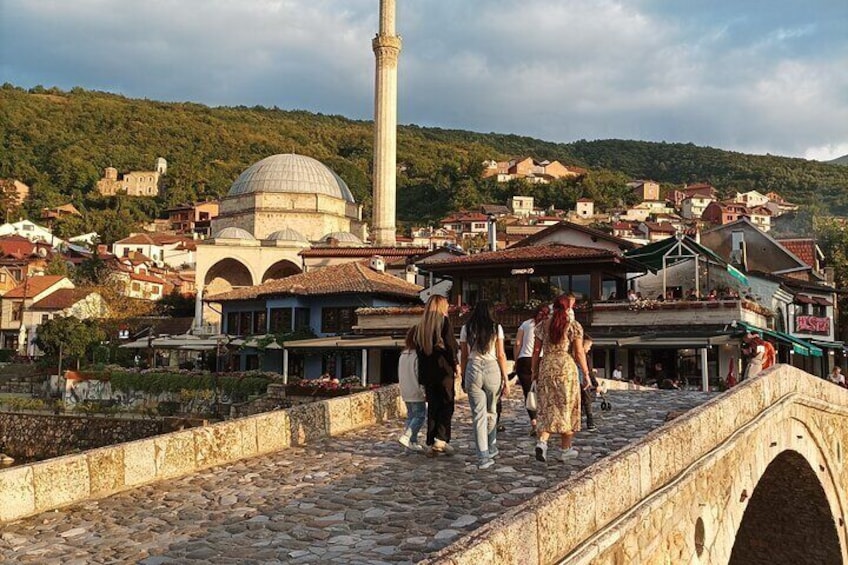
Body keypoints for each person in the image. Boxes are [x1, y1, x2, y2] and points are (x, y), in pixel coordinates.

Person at [531, 293, 590, 463]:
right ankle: (565, 449)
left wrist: (534, 370)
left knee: (547, 405)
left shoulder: (543, 325)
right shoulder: (573, 325)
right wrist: (585, 373)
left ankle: (542, 443)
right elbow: (579, 352)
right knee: (567, 406)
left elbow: (536, 351)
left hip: (547, 365)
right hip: (565, 366)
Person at [460, 301, 510, 470]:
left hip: (473, 368)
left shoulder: (467, 328)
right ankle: (492, 446)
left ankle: (483, 456)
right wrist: (506, 379)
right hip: (492, 369)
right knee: (492, 412)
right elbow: (501, 354)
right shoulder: (496, 328)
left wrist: (462, 375)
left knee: (478, 416)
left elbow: (464, 356)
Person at [413, 295, 460, 456]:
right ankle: (441, 438)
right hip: (443, 371)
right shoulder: (443, 322)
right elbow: (450, 346)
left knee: (433, 407)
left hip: (427, 373)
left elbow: (419, 353)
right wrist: (456, 365)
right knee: (447, 404)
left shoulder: (421, 327)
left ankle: (432, 440)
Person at [514, 305, 550, 436]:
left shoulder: (525, 324)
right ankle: (544, 422)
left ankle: (534, 422)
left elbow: (518, 343)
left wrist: (516, 360)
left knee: (528, 392)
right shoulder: (547, 325)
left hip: (525, 359)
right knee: (543, 392)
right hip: (541, 358)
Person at [397, 327, 425, 452]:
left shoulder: (403, 354)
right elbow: (419, 375)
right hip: (416, 391)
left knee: (411, 416)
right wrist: (424, 390)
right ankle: (407, 436)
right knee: (419, 416)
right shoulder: (417, 356)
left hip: (406, 390)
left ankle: (411, 443)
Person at [578, 336, 598, 432]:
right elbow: (589, 371)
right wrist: (595, 383)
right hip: (583, 381)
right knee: (587, 401)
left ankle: (576, 421)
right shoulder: (584, 356)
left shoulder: (572, 355)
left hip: (574, 381)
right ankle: (590, 422)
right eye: (589, 346)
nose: (589, 348)